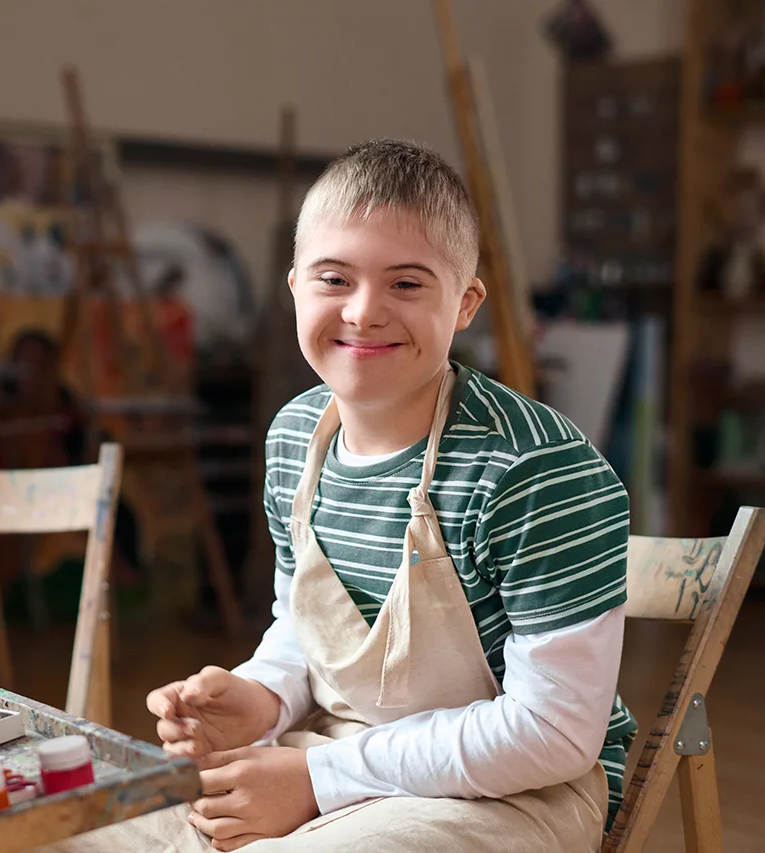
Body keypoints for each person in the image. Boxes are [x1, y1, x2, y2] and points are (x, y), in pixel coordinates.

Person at [35, 139, 635, 852]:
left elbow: (553, 733)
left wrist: (317, 777)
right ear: (295, 288)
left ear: (466, 301)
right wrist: (259, 696)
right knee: (64, 830)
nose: (363, 311)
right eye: (334, 278)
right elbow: (306, 625)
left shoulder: (535, 468)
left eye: (407, 284)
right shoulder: (296, 438)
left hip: (515, 791)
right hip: (328, 750)